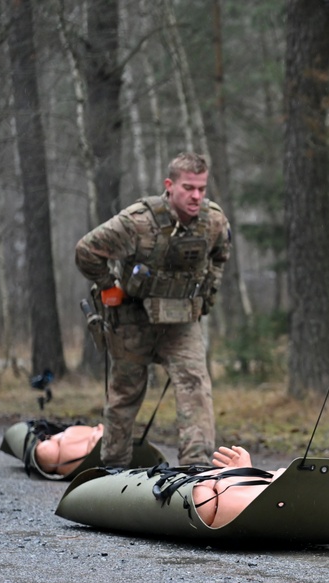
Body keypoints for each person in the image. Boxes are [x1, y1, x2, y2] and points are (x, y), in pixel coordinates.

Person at [75, 152, 231, 468]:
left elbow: (220, 254)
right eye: (189, 188)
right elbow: (86, 251)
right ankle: (114, 467)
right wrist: (109, 287)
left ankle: (195, 467)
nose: (196, 196)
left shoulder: (213, 221)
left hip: (181, 320)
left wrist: (208, 293)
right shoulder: (137, 222)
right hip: (133, 318)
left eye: (202, 188)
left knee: (194, 384)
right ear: (169, 185)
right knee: (125, 393)